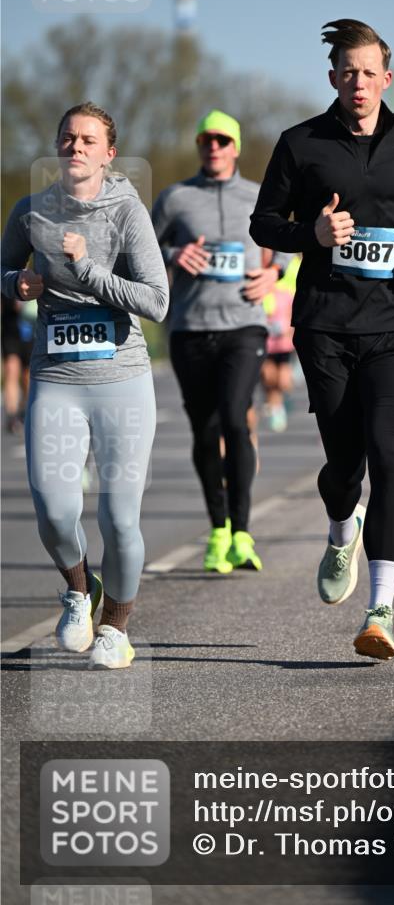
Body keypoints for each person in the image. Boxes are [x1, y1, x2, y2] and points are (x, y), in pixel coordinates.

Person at [250, 19, 394, 659]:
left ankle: (380, 612)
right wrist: (311, 234)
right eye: (348, 72)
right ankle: (343, 528)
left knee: (388, 458)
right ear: (333, 78)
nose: (359, 82)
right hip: (327, 326)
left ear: (387, 78)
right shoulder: (301, 143)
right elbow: (265, 221)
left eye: (370, 72)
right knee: (345, 466)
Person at [1, 102, 169, 669]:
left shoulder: (127, 212)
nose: (76, 147)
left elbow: (157, 301)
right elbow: (1, 274)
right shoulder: (31, 212)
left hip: (121, 378)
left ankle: (117, 628)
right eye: (68, 138)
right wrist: (16, 283)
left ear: (108, 153)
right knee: (53, 508)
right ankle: (78, 589)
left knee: (119, 517)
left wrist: (90, 270)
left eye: (89, 140)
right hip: (55, 377)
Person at [152, 110, 291, 573]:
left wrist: (273, 273)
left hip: (243, 326)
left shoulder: (258, 196)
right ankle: (217, 530)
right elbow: (141, 250)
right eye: (206, 140)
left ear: (234, 146)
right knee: (205, 430)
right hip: (190, 327)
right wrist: (174, 252)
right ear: (200, 146)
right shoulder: (176, 199)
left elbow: (288, 243)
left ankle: (243, 531)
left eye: (222, 140)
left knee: (236, 417)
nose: (214, 147)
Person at [261, 255, 300, 432]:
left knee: (283, 380)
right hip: (265, 342)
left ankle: (280, 400)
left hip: (283, 342)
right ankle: (275, 407)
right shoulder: (263, 291)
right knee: (269, 378)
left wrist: (290, 329)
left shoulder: (286, 292)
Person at [1, 293, 36, 433]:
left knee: (28, 375)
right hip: (11, 330)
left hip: (31, 330)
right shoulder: (5, 272)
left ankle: (26, 411)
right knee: (11, 370)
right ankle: (12, 416)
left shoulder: (38, 271)